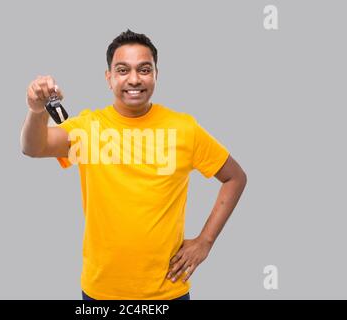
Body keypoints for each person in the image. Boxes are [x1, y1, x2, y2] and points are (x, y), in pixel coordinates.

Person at [20, 29, 247, 300]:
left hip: (167, 291)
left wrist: (205, 241)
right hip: (101, 291)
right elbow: (33, 148)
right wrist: (36, 111)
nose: (134, 79)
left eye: (144, 69)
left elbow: (235, 177)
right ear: (109, 78)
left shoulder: (184, 128)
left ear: (156, 75)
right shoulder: (88, 128)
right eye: (123, 70)